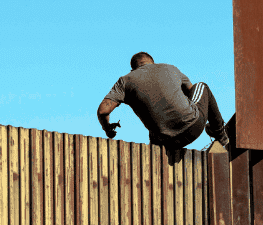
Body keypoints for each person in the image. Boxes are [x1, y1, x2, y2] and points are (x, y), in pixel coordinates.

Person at [97, 52, 229, 162]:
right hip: (193, 127)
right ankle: (220, 134)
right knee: (201, 86)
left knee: (154, 122)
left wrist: (107, 129)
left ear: (133, 69)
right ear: (153, 63)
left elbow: (103, 110)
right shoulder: (169, 68)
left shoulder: (125, 81)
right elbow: (191, 91)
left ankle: (159, 161)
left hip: (165, 142)